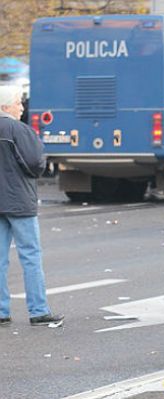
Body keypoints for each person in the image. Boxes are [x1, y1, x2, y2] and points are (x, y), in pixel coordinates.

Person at [0, 85, 64, 327]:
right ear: (6, 107)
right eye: (18, 103)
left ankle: (1, 310)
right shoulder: (19, 129)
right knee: (31, 256)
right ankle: (38, 310)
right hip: (19, 202)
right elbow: (36, 163)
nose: (22, 107)